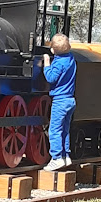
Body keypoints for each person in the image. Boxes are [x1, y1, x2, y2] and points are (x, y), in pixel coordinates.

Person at [40, 33, 77, 171]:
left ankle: (56, 158)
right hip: (70, 100)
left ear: (53, 50)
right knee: (65, 130)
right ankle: (66, 155)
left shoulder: (59, 63)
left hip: (60, 101)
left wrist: (47, 63)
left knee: (55, 130)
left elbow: (51, 78)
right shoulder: (70, 58)